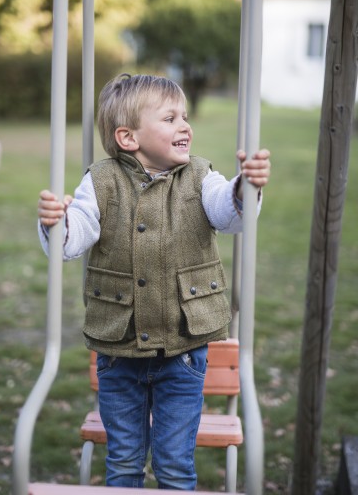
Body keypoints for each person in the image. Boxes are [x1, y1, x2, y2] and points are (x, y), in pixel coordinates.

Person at [38, 73, 271, 490]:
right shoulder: (102, 180)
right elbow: (77, 235)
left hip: (184, 349)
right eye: (169, 118)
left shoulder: (201, 175)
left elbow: (227, 212)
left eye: (184, 116)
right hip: (119, 352)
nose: (185, 125)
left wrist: (244, 189)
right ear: (128, 137)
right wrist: (59, 222)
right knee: (124, 463)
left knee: (175, 466)